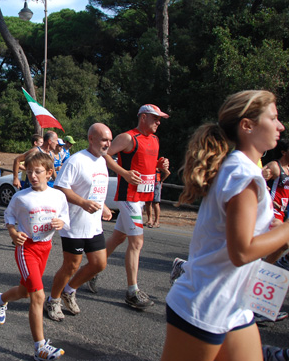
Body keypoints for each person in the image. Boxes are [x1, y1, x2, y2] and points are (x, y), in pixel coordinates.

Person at [161, 90, 289, 361]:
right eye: (274, 118)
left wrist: (275, 232)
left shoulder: (241, 169)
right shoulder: (243, 174)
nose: (281, 126)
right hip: (205, 307)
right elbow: (241, 252)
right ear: (247, 125)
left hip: (234, 305)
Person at [0, 152, 69, 361]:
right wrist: (13, 232)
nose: (33, 176)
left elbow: (65, 216)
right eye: (30, 171)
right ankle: (40, 347)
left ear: (49, 173)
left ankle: (0, 299)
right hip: (27, 249)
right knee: (38, 296)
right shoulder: (21, 196)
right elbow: (9, 216)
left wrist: (61, 223)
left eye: (38, 171)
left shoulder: (58, 196)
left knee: (26, 291)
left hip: (46, 247)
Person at [98, 104, 170, 309]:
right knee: (136, 243)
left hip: (142, 197)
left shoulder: (154, 139)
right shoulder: (128, 138)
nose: (158, 122)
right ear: (144, 117)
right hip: (128, 197)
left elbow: (146, 162)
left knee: (118, 237)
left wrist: (159, 165)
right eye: (156, 118)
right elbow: (104, 155)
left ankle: (91, 270)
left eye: (160, 119)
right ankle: (132, 291)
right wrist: (123, 173)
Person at [45, 123, 113, 321]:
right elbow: (60, 188)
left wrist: (104, 207)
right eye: (104, 140)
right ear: (91, 139)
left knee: (99, 263)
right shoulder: (76, 161)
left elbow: (96, 189)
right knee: (71, 266)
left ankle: (69, 290)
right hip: (74, 224)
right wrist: (82, 202)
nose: (108, 144)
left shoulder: (101, 161)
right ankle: (53, 299)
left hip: (93, 224)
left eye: (109, 140)